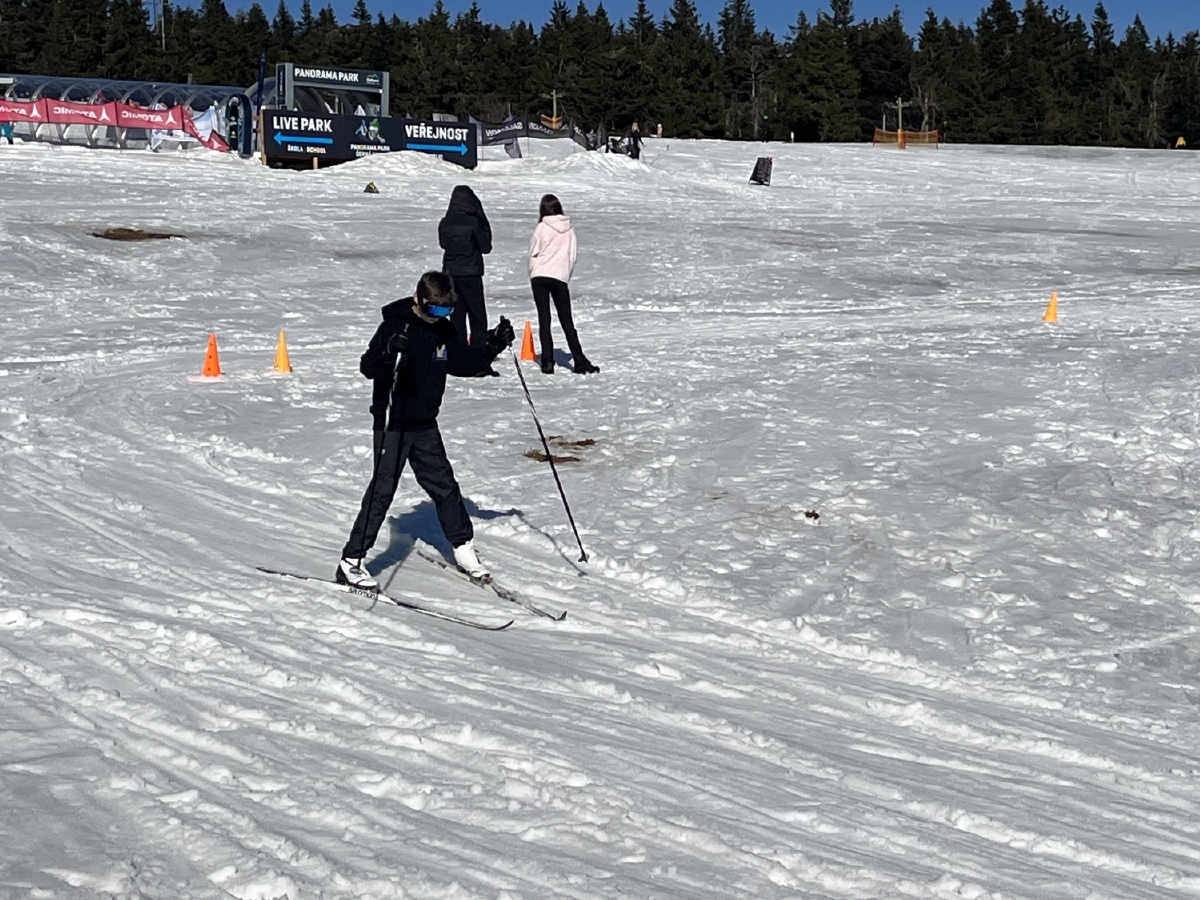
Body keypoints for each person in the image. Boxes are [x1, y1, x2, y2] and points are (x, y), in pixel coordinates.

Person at [336, 271, 516, 590]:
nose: (439, 316)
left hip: (424, 424)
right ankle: (351, 561)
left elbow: (463, 364)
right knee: (382, 491)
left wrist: (493, 344)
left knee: (444, 486)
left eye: (447, 310)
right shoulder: (395, 326)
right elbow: (367, 367)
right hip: (393, 423)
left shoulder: (443, 330)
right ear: (418, 299)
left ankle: (463, 549)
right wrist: (388, 352)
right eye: (434, 309)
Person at [528, 194, 599, 375]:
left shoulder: (542, 227)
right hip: (559, 277)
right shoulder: (569, 229)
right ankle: (579, 360)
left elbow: (533, 252)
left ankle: (547, 361)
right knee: (567, 321)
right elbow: (572, 256)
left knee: (544, 320)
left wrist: (533, 272)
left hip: (540, 276)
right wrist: (565, 274)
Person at [438, 185, 495, 375]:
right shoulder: (474, 222)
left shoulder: (445, 223)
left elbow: (443, 244)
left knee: (457, 318)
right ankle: (478, 359)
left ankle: (458, 356)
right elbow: (486, 247)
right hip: (471, 274)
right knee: (477, 317)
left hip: (451, 275)